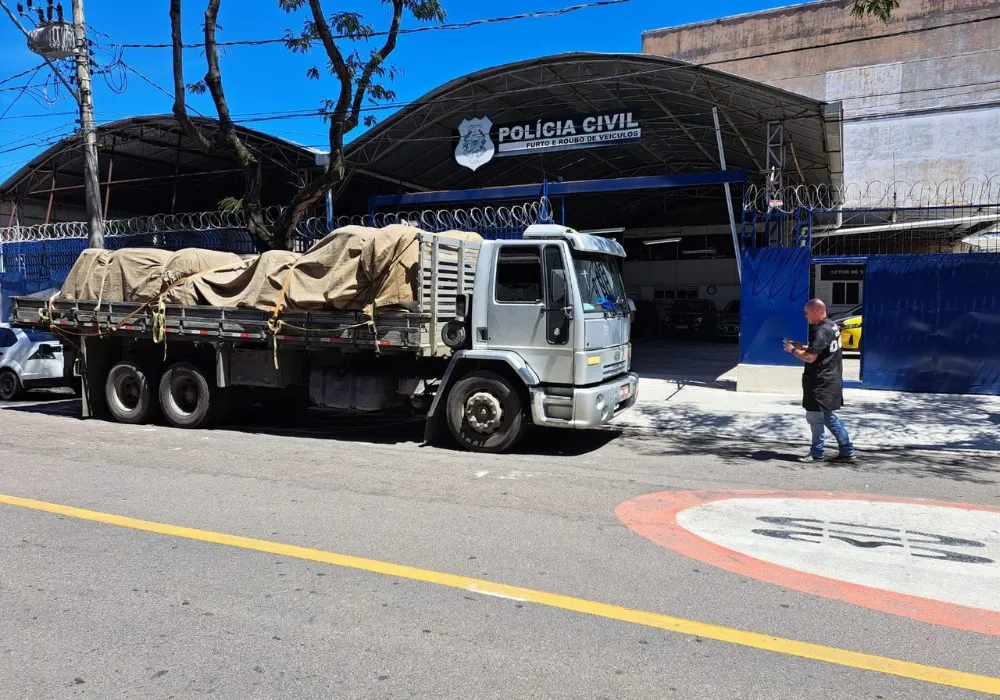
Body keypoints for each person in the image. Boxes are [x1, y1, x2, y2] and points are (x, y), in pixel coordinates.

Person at [783, 299, 856, 463]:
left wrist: (793, 350)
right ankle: (847, 449)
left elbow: (810, 358)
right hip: (830, 379)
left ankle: (817, 453)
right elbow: (820, 348)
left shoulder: (821, 330)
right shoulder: (832, 325)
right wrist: (802, 346)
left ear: (816, 311)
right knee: (828, 417)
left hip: (820, 382)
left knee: (815, 418)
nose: (805, 316)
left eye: (806, 312)